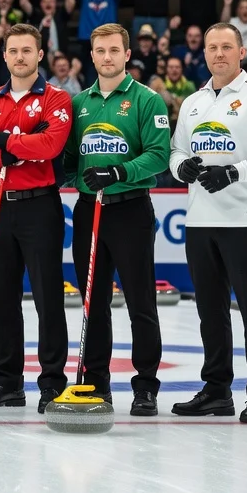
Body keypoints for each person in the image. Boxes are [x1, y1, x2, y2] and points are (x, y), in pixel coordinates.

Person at [169, 23, 247, 423]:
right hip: (200, 220)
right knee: (210, 311)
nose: (218, 54)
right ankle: (217, 390)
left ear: (241, 52)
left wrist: (234, 172)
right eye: (212, 47)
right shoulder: (192, 103)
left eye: (226, 47)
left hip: (246, 219)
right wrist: (180, 166)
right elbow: (175, 151)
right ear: (203, 53)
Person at [0, 24, 73, 411]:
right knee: (0, 298)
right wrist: (16, 149)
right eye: (13, 51)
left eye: (28, 50)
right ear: (4, 55)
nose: (20, 57)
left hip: (39, 206)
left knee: (47, 298)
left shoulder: (57, 98)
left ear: (40, 55)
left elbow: (51, 144)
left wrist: (1, 140)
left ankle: (52, 383)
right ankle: (7, 383)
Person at [62, 24, 170, 416]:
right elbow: (70, 159)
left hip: (130, 210)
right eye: (100, 51)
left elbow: (159, 156)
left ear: (127, 55)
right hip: (89, 210)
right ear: (91, 56)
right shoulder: (78, 104)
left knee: (141, 301)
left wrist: (119, 172)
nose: (107, 57)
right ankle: (95, 382)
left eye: (114, 50)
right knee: (94, 303)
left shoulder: (146, 100)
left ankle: (145, 386)